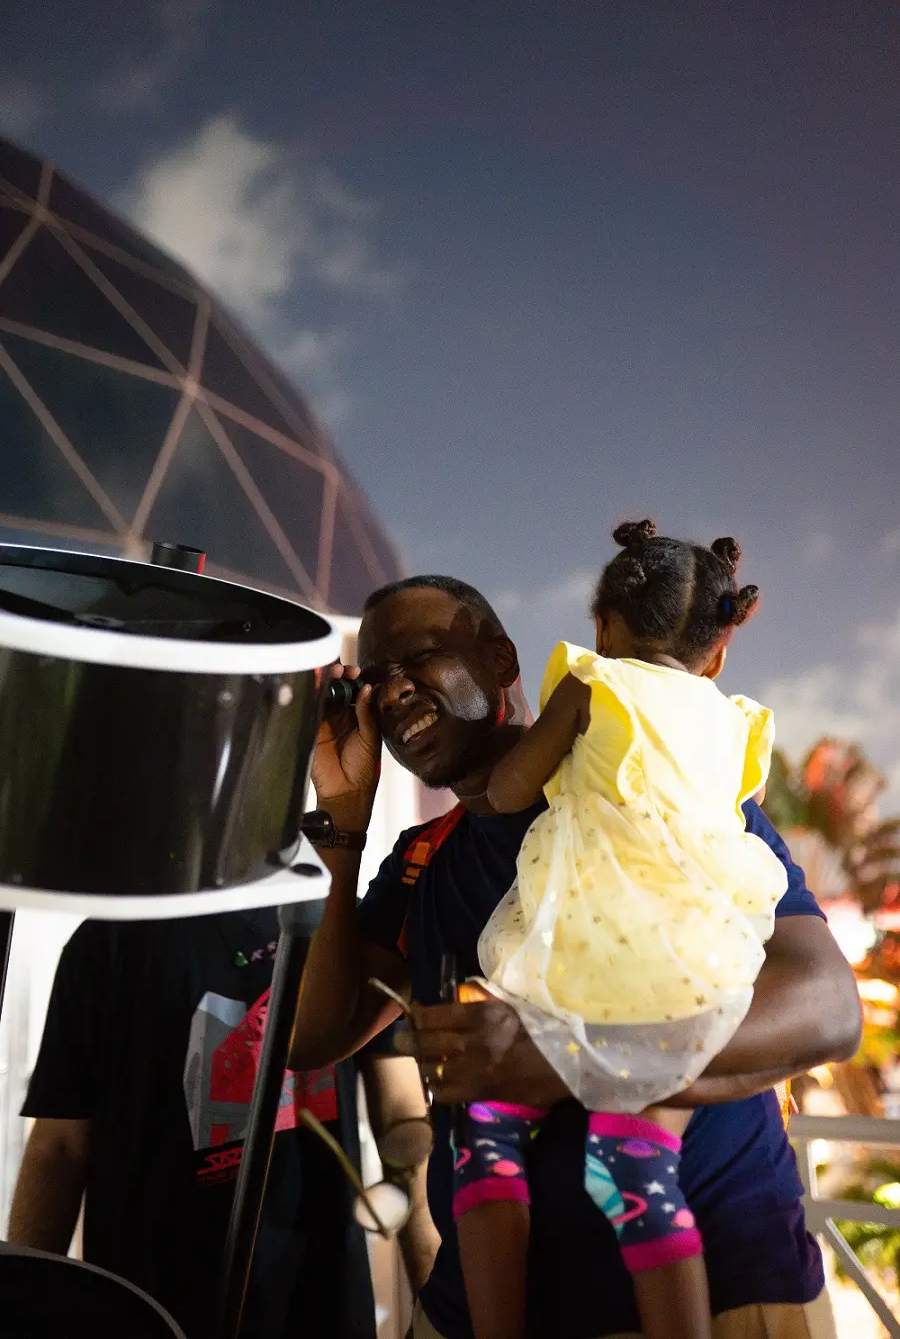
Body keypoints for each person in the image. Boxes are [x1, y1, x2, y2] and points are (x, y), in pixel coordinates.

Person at [288, 572, 861, 1339]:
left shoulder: (653, 780)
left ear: (501, 660)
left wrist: (563, 1054)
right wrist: (341, 828)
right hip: (480, 1308)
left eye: (420, 659)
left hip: (715, 1295)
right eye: (375, 680)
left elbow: (826, 1010)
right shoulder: (424, 860)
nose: (391, 695)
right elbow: (313, 1037)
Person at [454, 521, 787, 1339]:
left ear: (602, 625)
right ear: (717, 652)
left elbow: (511, 788)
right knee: (634, 1165)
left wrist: (494, 782)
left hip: (582, 958)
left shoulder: (595, 682)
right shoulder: (740, 722)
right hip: (696, 971)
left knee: (485, 1130)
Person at [7, 904, 438, 1339]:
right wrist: (21, 1308)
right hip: (156, 1303)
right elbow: (59, 1148)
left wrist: (439, 1301)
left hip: (321, 1297)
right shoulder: (110, 939)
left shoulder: (347, 926)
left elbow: (402, 1121)